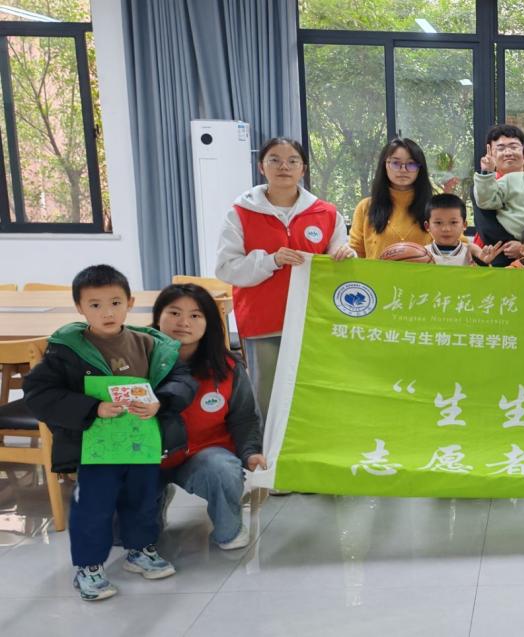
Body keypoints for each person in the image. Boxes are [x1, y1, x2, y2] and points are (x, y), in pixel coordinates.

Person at [23, 265, 197, 601]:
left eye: (116, 303)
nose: (107, 312)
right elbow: (39, 393)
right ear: (80, 308)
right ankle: (88, 567)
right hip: (95, 448)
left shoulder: (151, 344)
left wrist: (161, 401)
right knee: (93, 506)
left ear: (130, 303)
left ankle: (139, 550)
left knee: (144, 499)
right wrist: (93, 407)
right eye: (95, 305)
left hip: (142, 444)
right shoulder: (67, 350)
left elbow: (183, 381)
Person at [215, 137, 355, 420]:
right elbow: (227, 268)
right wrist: (271, 261)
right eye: (275, 160)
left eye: (292, 161)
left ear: (303, 169)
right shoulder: (240, 213)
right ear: (261, 167)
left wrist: (347, 255)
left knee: (315, 394)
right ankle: (266, 448)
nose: (284, 167)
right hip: (263, 323)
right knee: (267, 398)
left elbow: (339, 259)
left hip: (314, 322)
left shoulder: (326, 213)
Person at [152, 283, 264, 551]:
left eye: (195, 315)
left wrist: (250, 452)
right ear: (158, 317)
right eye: (174, 313)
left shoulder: (227, 367)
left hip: (203, 456)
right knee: (125, 539)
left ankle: (229, 529)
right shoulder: (135, 360)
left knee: (223, 469)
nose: (184, 323)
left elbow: (245, 417)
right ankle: (156, 497)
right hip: (148, 457)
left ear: (209, 323)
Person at [348, 138, 434, 259]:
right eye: (395, 163)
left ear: (420, 168)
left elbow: (456, 246)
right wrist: (347, 253)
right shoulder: (366, 207)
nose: (403, 170)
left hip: (424, 272)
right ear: (385, 165)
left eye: (411, 164)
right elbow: (356, 252)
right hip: (374, 272)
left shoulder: (435, 207)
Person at [472, 124, 524, 266]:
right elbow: (487, 227)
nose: (508, 153)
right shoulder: (483, 184)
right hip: (489, 256)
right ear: (490, 152)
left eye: (514, 147)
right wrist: (520, 247)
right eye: (501, 148)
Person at [418, 194, 503, 266]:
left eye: (453, 222)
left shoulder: (472, 252)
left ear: (464, 225)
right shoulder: (420, 253)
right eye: (438, 223)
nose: (446, 229)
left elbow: (484, 278)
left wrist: (483, 263)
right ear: (427, 226)